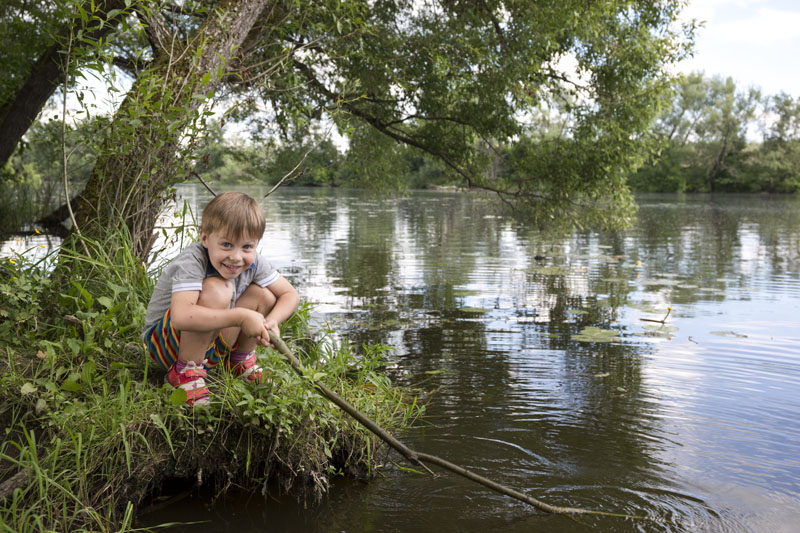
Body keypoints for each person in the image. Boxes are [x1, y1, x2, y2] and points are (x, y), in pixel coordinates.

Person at [142, 192, 299, 406]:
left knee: (264, 294)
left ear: (256, 244)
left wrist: (272, 321)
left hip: (211, 343)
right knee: (219, 289)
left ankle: (238, 361)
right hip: (165, 344)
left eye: (247, 247)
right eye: (226, 244)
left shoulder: (254, 262)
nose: (236, 257)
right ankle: (185, 372)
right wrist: (242, 317)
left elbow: (289, 294)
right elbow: (181, 317)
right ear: (205, 238)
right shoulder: (192, 261)